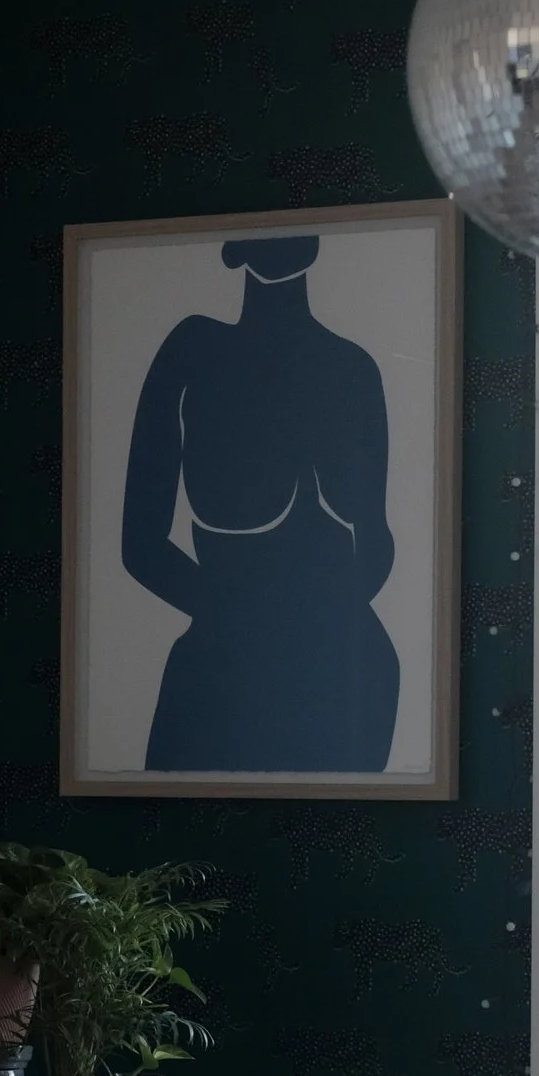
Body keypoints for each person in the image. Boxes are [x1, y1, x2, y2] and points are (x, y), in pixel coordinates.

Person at [120, 231, 399, 774]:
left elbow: (377, 541)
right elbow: (141, 544)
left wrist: (314, 624)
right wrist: (239, 620)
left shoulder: (353, 368)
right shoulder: (193, 352)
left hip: (344, 672)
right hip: (223, 664)